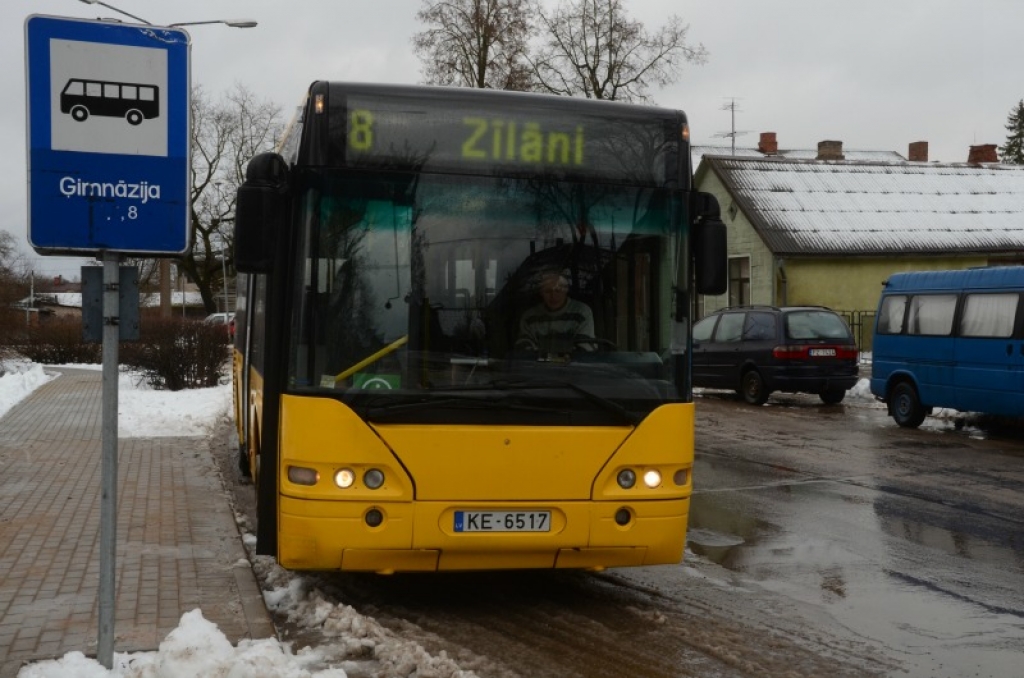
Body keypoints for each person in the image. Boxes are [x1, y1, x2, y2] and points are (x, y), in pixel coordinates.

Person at [515, 271, 596, 353]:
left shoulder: (582, 312)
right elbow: (524, 351)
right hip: (538, 365)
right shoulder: (529, 317)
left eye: (558, 290)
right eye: (548, 291)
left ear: (566, 290)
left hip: (573, 365)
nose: (553, 296)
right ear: (541, 293)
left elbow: (585, 351)